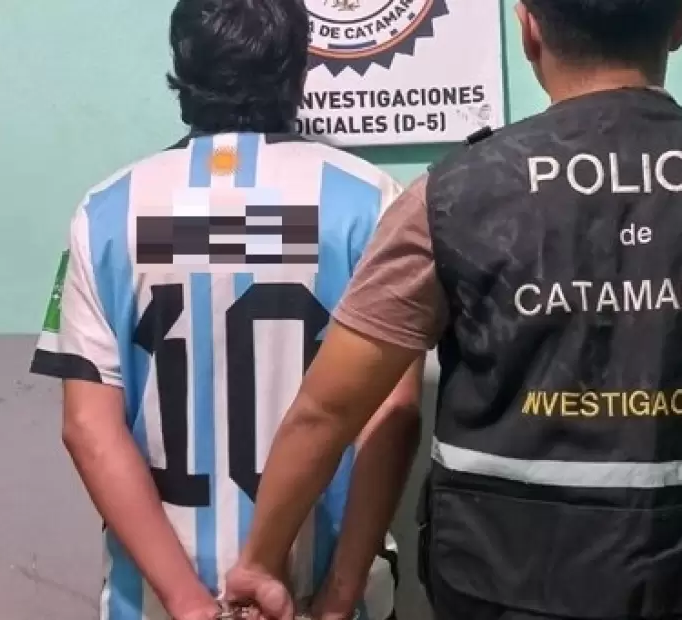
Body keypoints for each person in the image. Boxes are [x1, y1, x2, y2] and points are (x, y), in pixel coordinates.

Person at [225, 0, 682, 619]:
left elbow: (327, 411)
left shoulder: (447, 199)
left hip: (502, 585)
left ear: (529, 28)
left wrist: (260, 560)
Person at [28, 0, 424, 618]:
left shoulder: (106, 212)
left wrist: (188, 603)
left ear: (182, 69)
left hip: (157, 601)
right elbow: (393, 412)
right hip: (323, 591)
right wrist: (342, 595)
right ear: (298, 70)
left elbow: (87, 427)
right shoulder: (372, 202)